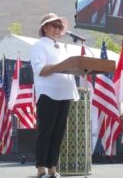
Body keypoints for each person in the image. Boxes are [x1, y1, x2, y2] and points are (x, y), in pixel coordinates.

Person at [31, 13, 79, 178]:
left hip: (64, 93)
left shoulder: (63, 48)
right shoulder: (39, 45)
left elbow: (69, 67)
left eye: (60, 27)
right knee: (46, 132)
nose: (58, 29)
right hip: (48, 94)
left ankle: (52, 169)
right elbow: (40, 69)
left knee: (58, 133)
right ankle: (41, 170)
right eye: (54, 26)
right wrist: (60, 66)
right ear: (45, 28)